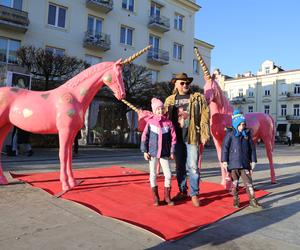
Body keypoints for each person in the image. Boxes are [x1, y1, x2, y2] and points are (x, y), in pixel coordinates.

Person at [164, 73, 210, 207]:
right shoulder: (170, 100)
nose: (185, 85)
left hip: (192, 137)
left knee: (193, 167)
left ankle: (194, 194)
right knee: (179, 167)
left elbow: (205, 115)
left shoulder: (197, 98)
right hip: (176, 138)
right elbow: (164, 119)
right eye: (182, 83)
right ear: (176, 84)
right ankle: (182, 191)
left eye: (187, 83)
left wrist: (204, 132)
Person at [221, 110, 262, 208]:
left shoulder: (247, 135)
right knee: (234, 184)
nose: (242, 127)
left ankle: (252, 200)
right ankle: (236, 200)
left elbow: (252, 148)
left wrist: (253, 160)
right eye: (240, 124)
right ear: (236, 124)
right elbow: (225, 148)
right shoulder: (230, 135)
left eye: (244, 124)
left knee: (249, 184)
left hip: (245, 164)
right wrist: (224, 161)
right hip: (233, 165)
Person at [140, 98, 177, 206]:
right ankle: (156, 197)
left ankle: (167, 197)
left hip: (165, 153)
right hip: (152, 152)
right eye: (158, 109)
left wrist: (172, 151)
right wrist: (144, 151)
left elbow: (173, 138)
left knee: (168, 175)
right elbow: (144, 136)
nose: (160, 111)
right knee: (153, 174)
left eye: (162, 108)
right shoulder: (150, 123)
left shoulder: (168, 123)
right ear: (154, 110)